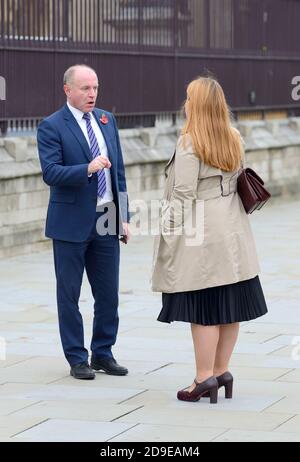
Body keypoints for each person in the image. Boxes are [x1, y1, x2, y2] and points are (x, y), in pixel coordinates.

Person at [152, 77, 268, 403]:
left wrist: (167, 229)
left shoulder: (190, 142)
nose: (185, 102)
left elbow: (183, 194)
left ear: (197, 104)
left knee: (204, 307)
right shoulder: (233, 137)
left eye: (189, 97)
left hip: (202, 229)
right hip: (234, 226)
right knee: (231, 303)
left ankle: (203, 379)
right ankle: (222, 370)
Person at [37, 64, 130, 380]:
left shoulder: (107, 119)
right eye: (85, 88)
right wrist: (87, 169)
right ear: (67, 90)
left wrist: (123, 217)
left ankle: (103, 352)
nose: (92, 94)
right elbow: (51, 173)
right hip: (70, 222)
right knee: (69, 294)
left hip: (106, 218)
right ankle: (77, 358)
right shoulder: (51, 126)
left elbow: (118, 172)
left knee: (108, 293)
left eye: (95, 88)